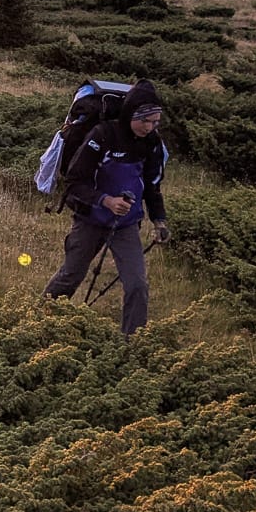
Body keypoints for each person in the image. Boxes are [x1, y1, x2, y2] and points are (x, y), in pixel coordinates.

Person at [42, 78, 170, 335]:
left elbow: (152, 186)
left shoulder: (152, 143)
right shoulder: (102, 135)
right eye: (145, 120)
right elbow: (74, 182)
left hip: (126, 224)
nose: (150, 127)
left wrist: (160, 221)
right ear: (131, 114)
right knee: (71, 276)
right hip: (90, 219)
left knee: (137, 286)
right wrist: (106, 201)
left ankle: (132, 345)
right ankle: (39, 320)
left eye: (155, 121)